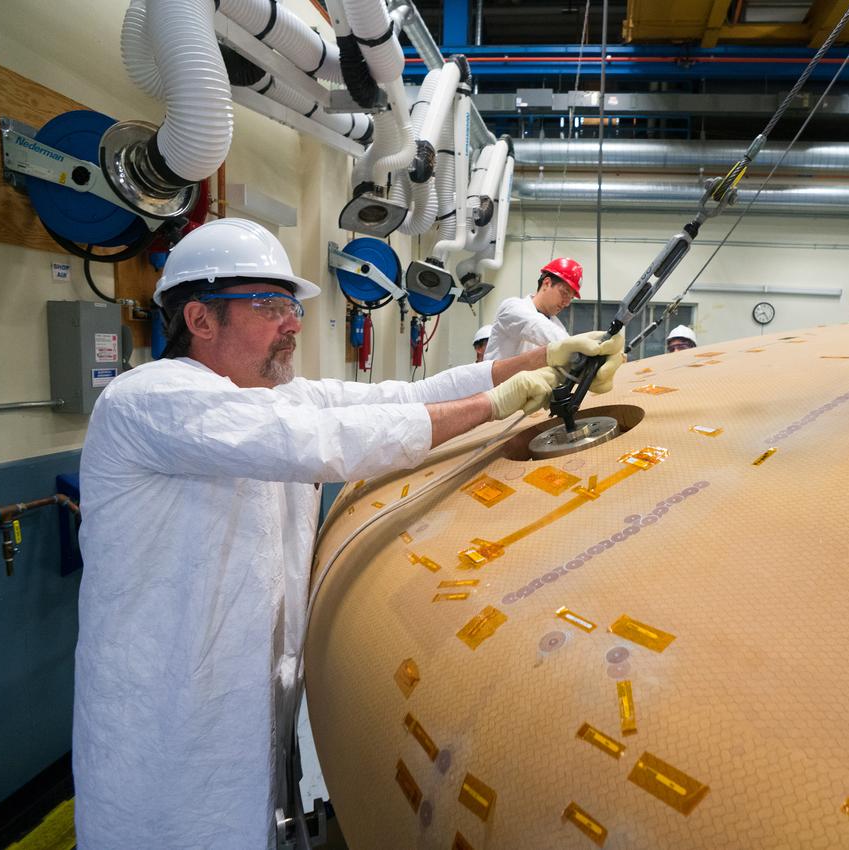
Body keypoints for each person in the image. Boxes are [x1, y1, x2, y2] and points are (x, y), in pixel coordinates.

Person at [71, 219, 624, 850]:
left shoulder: (273, 396)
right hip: (165, 726)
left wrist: (541, 361)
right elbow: (326, 443)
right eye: (271, 306)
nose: (294, 322)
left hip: (248, 709)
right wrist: (497, 407)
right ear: (200, 319)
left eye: (292, 306)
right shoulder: (149, 399)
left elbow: (403, 396)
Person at [483, 257, 582, 361]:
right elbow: (534, 326)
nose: (566, 303)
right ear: (547, 283)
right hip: (500, 377)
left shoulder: (558, 327)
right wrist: (576, 347)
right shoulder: (512, 307)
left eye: (570, 298)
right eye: (564, 293)